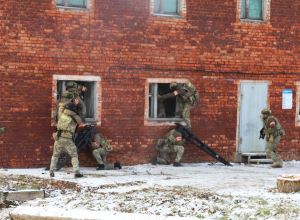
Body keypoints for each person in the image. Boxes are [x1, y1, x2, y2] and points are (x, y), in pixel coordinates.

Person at [50, 102, 84, 177]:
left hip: (58, 138)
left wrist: (65, 104)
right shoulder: (76, 117)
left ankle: (51, 171)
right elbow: (81, 124)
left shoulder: (61, 114)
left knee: (55, 155)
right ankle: (76, 172)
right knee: (74, 155)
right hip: (68, 139)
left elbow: (61, 106)